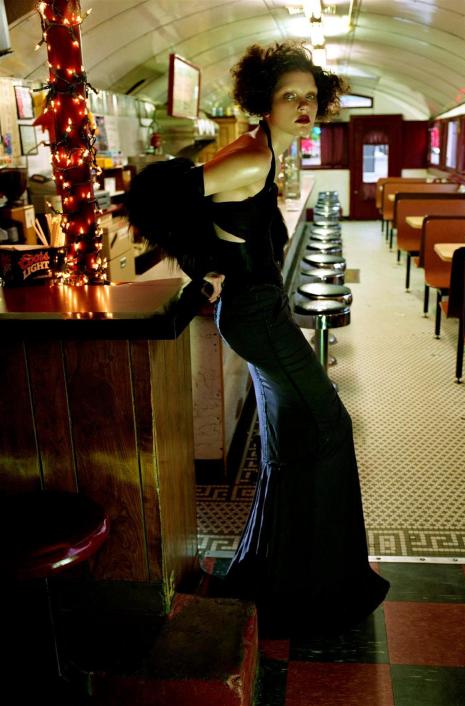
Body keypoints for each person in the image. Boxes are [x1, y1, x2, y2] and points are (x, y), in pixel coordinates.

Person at [127, 42, 389, 636]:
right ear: (264, 103)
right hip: (256, 316)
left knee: (290, 435)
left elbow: (206, 215)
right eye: (289, 96)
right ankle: (315, 585)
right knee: (329, 425)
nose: (303, 106)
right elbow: (156, 200)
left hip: (260, 311)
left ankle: (280, 574)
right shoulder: (249, 157)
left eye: (310, 97)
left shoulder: (264, 152)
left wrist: (211, 260)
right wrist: (203, 268)